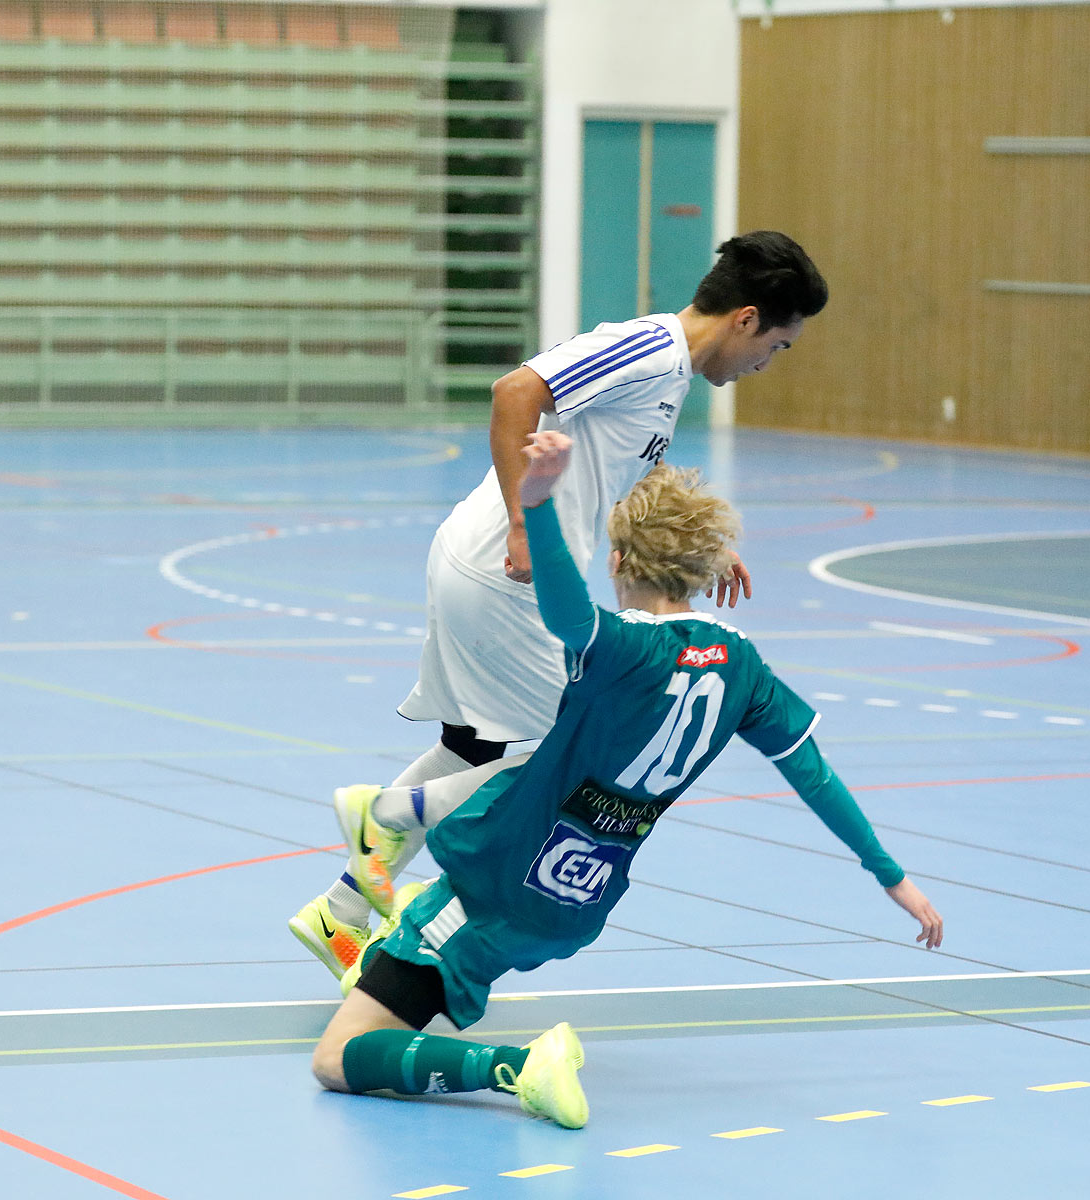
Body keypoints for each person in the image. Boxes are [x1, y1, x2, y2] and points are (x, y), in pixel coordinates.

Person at [308, 430, 944, 1128]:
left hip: (497, 884)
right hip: (574, 906)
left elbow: (565, 611)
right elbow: (813, 776)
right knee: (513, 785)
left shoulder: (623, 650)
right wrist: (892, 877)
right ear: (701, 567)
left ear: (614, 559)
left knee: (339, 1057)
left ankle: (518, 1068)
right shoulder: (743, 667)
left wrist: (537, 502)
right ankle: (394, 826)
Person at [289, 231, 830, 977]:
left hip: (487, 570)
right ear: (745, 319)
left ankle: (340, 913)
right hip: (501, 572)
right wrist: (521, 522)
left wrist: (702, 540)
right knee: (573, 755)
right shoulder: (648, 348)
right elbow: (517, 393)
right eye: (777, 345)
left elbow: (621, 472)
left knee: (475, 748)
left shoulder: (667, 379)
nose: (769, 362)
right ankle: (386, 820)